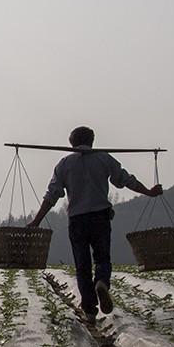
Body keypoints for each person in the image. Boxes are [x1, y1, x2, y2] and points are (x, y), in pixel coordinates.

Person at [27, 126, 162, 320]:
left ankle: (90, 310)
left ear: (72, 144)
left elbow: (52, 195)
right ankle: (101, 282)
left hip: (77, 220)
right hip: (100, 217)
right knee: (102, 259)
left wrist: (37, 220)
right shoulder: (103, 158)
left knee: (82, 265)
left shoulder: (64, 164)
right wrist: (149, 192)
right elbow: (125, 180)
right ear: (92, 141)